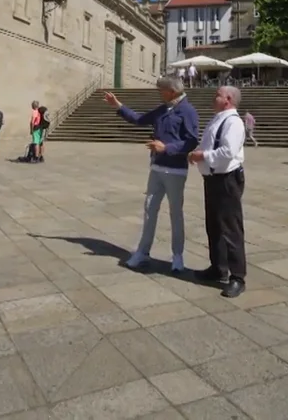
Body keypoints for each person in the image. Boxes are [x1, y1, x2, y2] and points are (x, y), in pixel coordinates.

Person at [104, 75, 200, 273]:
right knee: (149, 209)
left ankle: (178, 256)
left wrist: (167, 147)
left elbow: (191, 141)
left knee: (175, 213)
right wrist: (117, 105)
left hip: (175, 170)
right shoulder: (163, 109)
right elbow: (139, 119)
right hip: (156, 168)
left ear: (171, 91)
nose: (159, 93)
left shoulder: (187, 111)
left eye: (161, 90)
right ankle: (142, 251)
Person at [189, 85, 248, 298]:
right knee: (213, 225)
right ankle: (218, 267)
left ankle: (237, 277)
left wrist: (202, 156)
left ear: (228, 99)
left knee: (231, 228)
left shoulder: (233, 122)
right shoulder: (218, 118)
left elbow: (227, 152)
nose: (214, 97)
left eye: (218, 94)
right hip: (213, 179)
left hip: (227, 180)